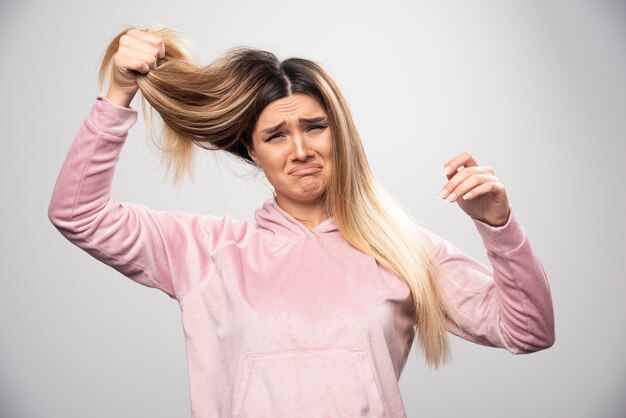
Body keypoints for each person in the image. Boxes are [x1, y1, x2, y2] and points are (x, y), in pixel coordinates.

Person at [48, 27, 555, 418]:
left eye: (315, 127)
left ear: (341, 133)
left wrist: (498, 224)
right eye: (276, 136)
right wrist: (117, 93)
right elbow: (78, 214)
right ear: (252, 150)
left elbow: (528, 331)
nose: (301, 150)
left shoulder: (402, 249)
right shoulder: (205, 251)